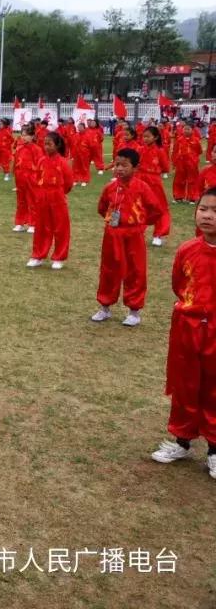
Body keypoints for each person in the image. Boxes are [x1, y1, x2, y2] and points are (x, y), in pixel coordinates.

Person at [150, 187, 216, 480]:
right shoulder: (187, 250)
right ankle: (182, 440)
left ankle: (214, 450)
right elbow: (179, 284)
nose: (208, 216)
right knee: (185, 384)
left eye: (215, 211)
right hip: (187, 328)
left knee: (213, 387)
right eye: (203, 209)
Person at [91, 149, 163, 327]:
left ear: (135, 167)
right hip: (112, 234)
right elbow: (101, 208)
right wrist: (113, 223)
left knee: (135, 270)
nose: (119, 169)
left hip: (133, 234)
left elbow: (156, 209)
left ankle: (134, 311)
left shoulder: (142, 187)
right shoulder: (110, 188)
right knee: (109, 269)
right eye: (117, 164)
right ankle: (105, 306)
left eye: (124, 165)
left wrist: (140, 224)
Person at [28, 133, 73, 270]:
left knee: (60, 228)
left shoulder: (63, 162)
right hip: (42, 198)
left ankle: (59, 257)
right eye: (45, 143)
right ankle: (38, 255)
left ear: (57, 145)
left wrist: (57, 193)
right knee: (41, 227)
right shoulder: (41, 161)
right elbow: (36, 178)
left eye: (49, 144)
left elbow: (68, 183)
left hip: (57, 198)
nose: (46, 147)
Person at [138, 126, 171, 247]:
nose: (145, 139)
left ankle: (158, 234)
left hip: (154, 182)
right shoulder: (140, 149)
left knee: (159, 208)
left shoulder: (160, 151)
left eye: (148, 136)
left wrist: (153, 172)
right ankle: (138, 232)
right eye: (144, 136)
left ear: (155, 137)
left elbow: (166, 168)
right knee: (140, 206)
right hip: (140, 180)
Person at [11, 125, 41, 233]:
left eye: (26, 135)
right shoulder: (19, 148)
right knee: (21, 201)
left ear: (32, 136)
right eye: (22, 135)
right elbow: (16, 163)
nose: (23, 138)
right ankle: (20, 223)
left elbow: (40, 165)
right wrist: (14, 174)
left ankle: (33, 224)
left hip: (32, 178)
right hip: (20, 178)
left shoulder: (37, 149)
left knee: (32, 200)